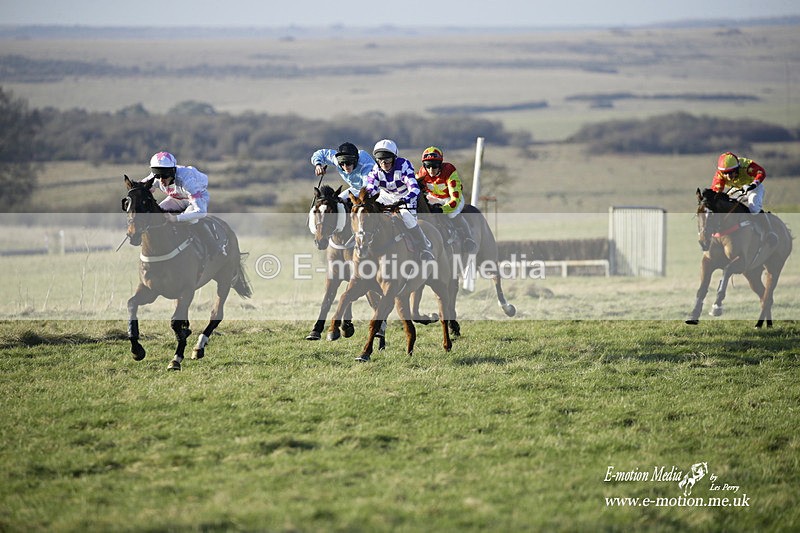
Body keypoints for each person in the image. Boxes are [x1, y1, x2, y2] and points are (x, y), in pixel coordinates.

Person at [364, 139, 434, 261]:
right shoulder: (375, 170)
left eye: (387, 159)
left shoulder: (403, 165)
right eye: (380, 159)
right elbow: (371, 189)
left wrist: (403, 200)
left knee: (406, 216)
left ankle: (424, 248)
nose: (384, 163)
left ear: (394, 158)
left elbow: (414, 189)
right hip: (385, 197)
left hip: (405, 196)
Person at [144, 151, 225, 256]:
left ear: (172, 171)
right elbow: (138, 187)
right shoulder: (157, 176)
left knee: (189, 219)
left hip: (196, 199)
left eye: (164, 176)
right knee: (157, 215)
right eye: (158, 176)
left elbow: (201, 212)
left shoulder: (188, 181)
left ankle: (213, 246)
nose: (161, 180)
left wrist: (175, 218)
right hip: (177, 198)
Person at [416, 146, 477, 254]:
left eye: (434, 166)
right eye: (428, 166)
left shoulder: (449, 171)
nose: (431, 170)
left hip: (451, 198)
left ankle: (468, 238)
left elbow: (455, 200)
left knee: (452, 214)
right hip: (434, 197)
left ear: (440, 165)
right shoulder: (421, 173)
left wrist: (442, 210)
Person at [711, 151, 777, 243]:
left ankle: (769, 231)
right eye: (725, 173)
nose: (728, 176)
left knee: (753, 208)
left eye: (730, 172)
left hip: (753, 187)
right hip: (737, 189)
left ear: (737, 168)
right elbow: (716, 191)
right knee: (727, 205)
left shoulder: (746, 166)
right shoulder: (720, 175)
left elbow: (761, 172)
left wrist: (754, 184)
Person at [311, 142, 375, 204]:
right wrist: (318, 165)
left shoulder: (366, 166)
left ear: (355, 161)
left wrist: (348, 199)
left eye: (348, 163)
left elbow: (366, 190)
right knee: (337, 202)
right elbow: (320, 153)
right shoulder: (336, 160)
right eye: (342, 163)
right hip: (356, 188)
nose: (345, 167)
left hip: (374, 189)